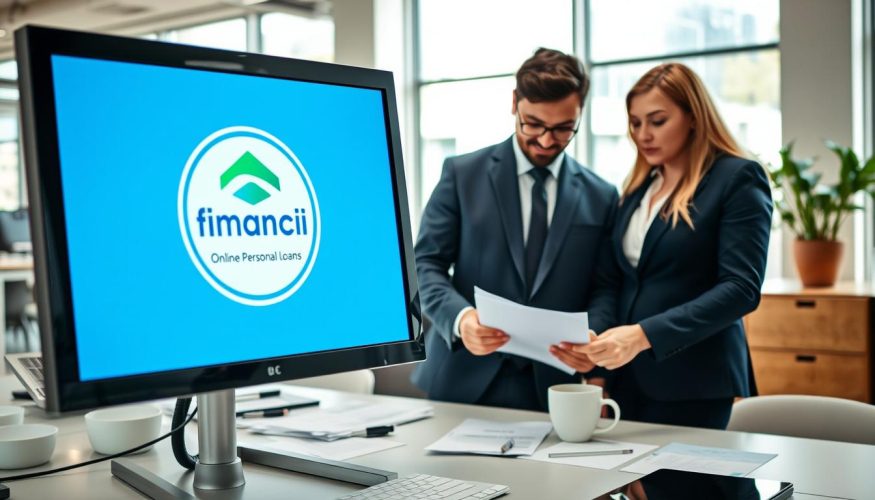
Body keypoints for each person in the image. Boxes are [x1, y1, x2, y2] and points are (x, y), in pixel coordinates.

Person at [559, 62, 773, 429]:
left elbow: (741, 290)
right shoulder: (635, 191)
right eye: (636, 122)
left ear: (693, 117)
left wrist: (643, 336)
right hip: (627, 380)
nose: (644, 134)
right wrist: (597, 368)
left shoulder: (736, 178)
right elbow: (613, 282)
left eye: (657, 121)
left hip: (695, 382)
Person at [410, 48, 619, 412]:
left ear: (580, 114)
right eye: (533, 124)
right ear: (514, 103)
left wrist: (593, 339)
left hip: (555, 386)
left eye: (563, 128)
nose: (545, 140)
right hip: (461, 375)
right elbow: (424, 264)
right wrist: (461, 319)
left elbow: (606, 286)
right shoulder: (462, 174)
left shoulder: (601, 195)